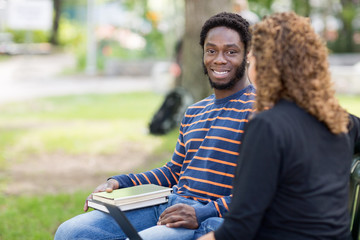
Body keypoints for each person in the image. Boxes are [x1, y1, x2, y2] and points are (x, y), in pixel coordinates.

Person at [55, 12, 256, 240]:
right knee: (70, 232)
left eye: (231, 51)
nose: (219, 59)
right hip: (169, 205)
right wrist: (121, 181)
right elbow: (174, 171)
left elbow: (260, 190)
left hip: (209, 219)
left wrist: (202, 212)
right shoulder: (194, 112)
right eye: (211, 51)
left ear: (247, 54)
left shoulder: (260, 111)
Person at [199, 11, 360, 240]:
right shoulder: (339, 121)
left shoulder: (267, 127)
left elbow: (237, 231)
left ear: (265, 66)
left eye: (253, 58)